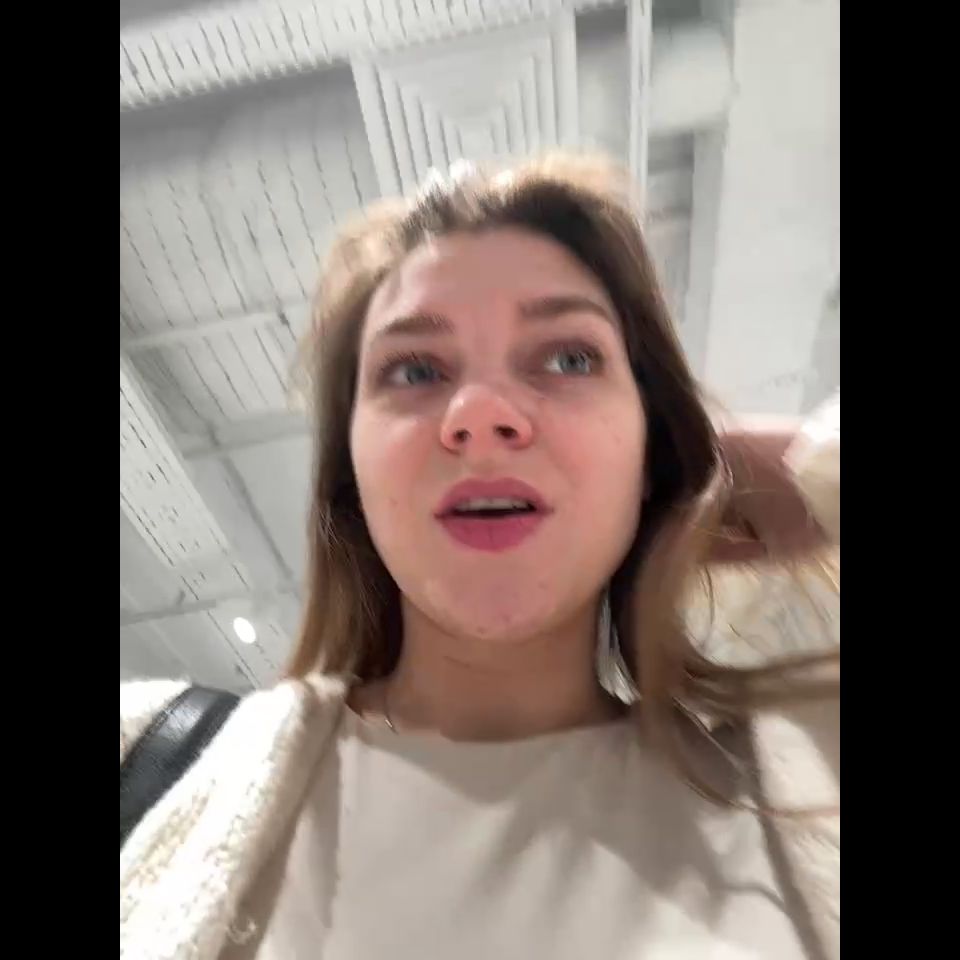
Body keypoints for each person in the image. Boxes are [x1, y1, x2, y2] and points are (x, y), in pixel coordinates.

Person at [120, 156, 839, 960]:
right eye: (415, 370)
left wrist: (812, 471)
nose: (482, 414)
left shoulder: (809, 785)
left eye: (569, 359)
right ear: (352, 472)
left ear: (650, 447)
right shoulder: (145, 761)